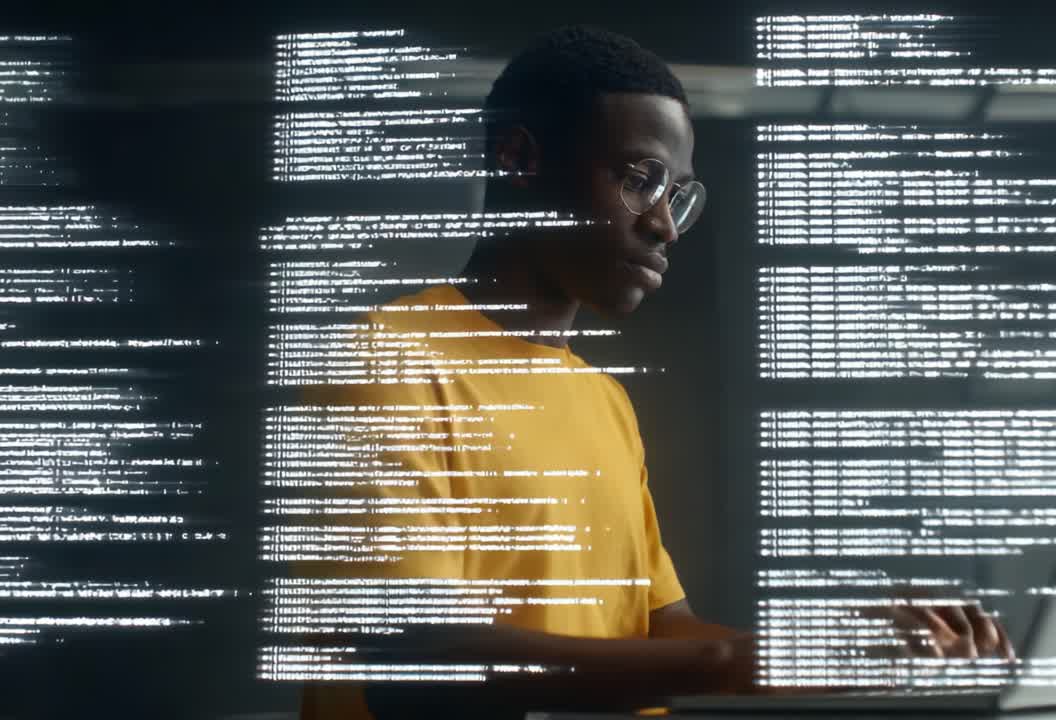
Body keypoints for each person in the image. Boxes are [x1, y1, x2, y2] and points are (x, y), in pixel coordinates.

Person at [293, 24, 1011, 720]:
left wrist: (844, 648)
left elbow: (660, 631)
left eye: (678, 195)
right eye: (641, 179)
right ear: (517, 158)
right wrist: (740, 662)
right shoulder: (384, 360)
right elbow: (412, 665)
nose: (665, 224)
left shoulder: (603, 400)